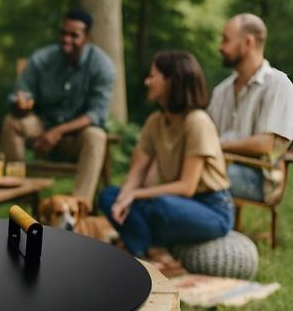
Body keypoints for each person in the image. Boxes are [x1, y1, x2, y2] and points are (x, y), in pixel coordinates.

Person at [99, 51, 233, 265]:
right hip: (173, 203)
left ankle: (142, 246)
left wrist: (136, 194)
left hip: (211, 210)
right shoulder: (154, 122)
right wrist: (124, 198)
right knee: (108, 196)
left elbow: (187, 187)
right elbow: (137, 171)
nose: (147, 81)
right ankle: (145, 252)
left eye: (153, 76)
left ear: (171, 81)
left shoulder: (197, 122)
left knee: (159, 205)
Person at [2, 9, 114, 204]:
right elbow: (20, 94)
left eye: (74, 35)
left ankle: (79, 207)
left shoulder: (102, 65)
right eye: (63, 33)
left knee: (97, 136)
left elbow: (96, 114)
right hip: (41, 130)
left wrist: (58, 132)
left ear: (87, 37)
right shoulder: (42, 59)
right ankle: (20, 196)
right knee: (12, 122)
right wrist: (21, 104)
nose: (66, 39)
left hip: (76, 137)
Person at [206, 13, 293, 203]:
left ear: (248, 42)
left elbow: (268, 144)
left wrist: (218, 146)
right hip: (220, 166)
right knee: (185, 167)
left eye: (226, 40)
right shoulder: (221, 91)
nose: (220, 47)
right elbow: (207, 135)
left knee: (198, 173)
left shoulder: (279, 85)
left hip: (261, 180)